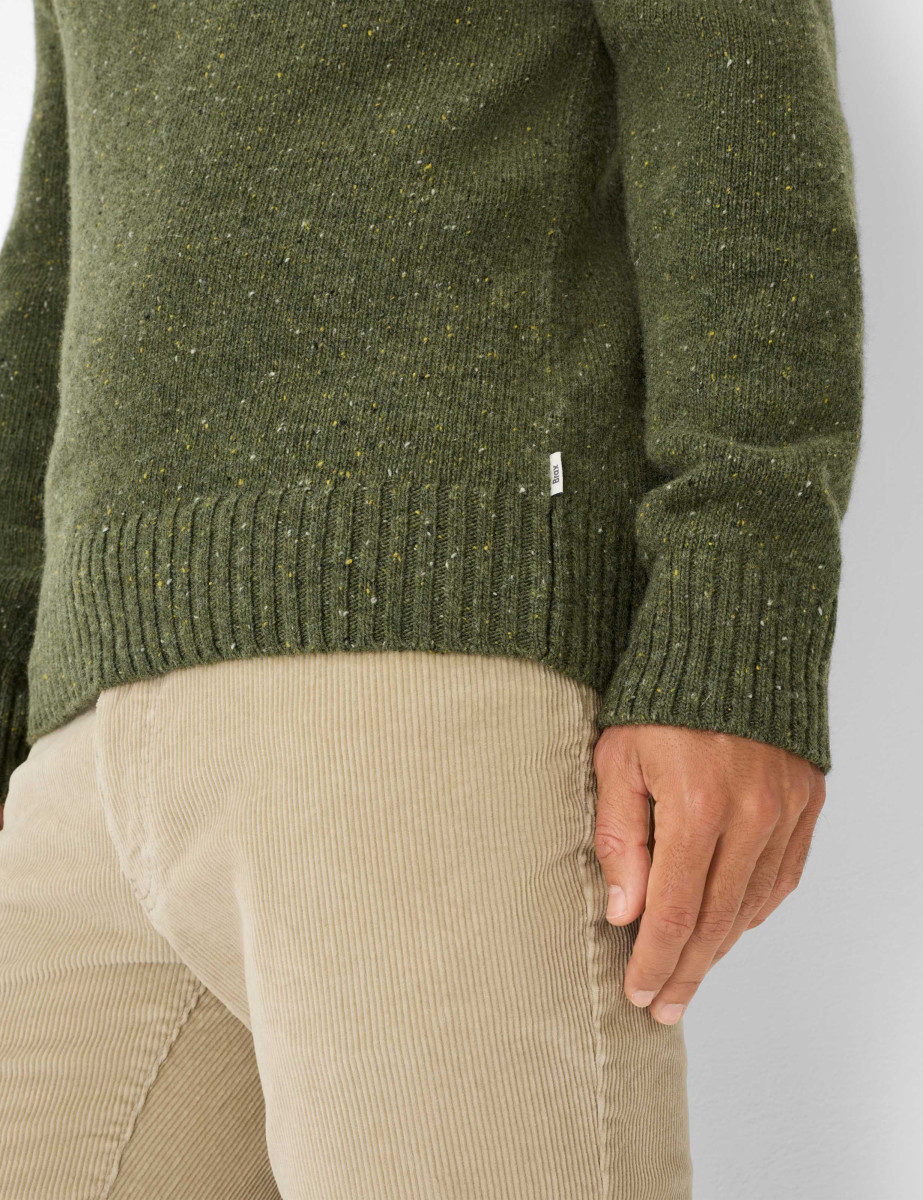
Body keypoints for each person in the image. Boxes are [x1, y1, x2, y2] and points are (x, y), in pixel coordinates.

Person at [0, 1, 863, 1196]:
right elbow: (62, 227)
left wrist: (736, 620)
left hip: (430, 682)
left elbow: (732, 85)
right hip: (77, 761)